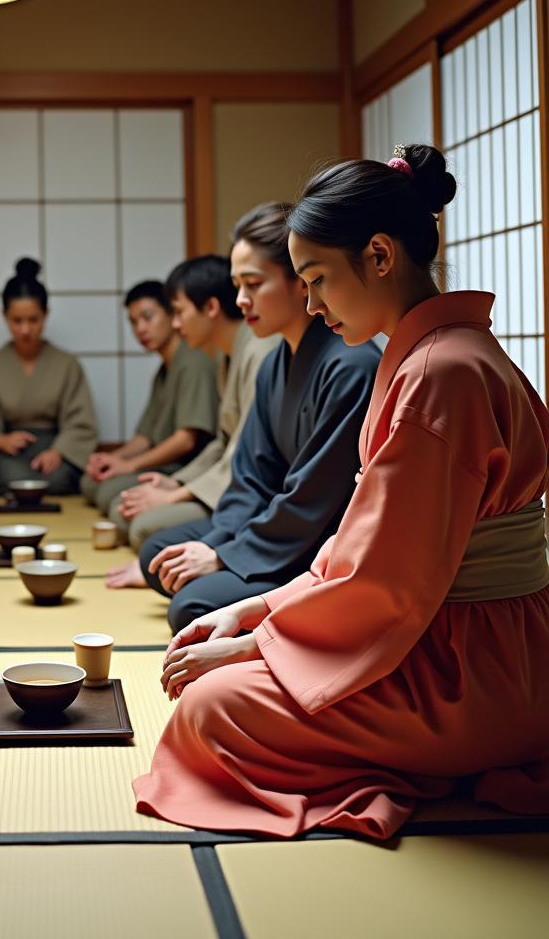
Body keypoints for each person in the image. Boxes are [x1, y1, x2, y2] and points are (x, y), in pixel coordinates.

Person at [134, 143, 549, 839]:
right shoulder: (435, 356)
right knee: (213, 673)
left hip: (466, 668)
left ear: (380, 257)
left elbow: (384, 580)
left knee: (209, 709)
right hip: (472, 644)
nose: (312, 302)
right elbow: (362, 549)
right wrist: (254, 610)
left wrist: (253, 642)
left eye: (318, 278)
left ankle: (462, 750)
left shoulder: (439, 373)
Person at [139, 205, 381, 631]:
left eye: (253, 284)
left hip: (314, 546)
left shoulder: (349, 364)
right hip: (271, 531)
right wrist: (216, 544)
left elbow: (314, 498)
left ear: (298, 280)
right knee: (158, 555)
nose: (240, 301)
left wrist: (223, 554)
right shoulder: (275, 365)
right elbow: (250, 476)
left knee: (192, 606)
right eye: (236, 285)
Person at [105, 250, 278, 588]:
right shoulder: (228, 357)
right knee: (126, 512)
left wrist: (175, 495)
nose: (175, 323)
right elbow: (223, 443)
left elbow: (243, 454)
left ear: (210, 308)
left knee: (144, 531)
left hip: (250, 495)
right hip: (221, 482)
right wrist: (177, 484)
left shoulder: (258, 352)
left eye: (179, 311)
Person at [0, 257, 97, 497]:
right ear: (4, 316)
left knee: (59, 477)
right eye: (17, 320)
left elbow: (81, 423)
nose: (25, 330)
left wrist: (59, 451)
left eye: (33, 320)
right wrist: (0, 440)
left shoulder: (67, 364)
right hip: (9, 454)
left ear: (46, 315)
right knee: (10, 475)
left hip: (54, 450)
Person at [80, 279, 217, 516]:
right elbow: (145, 436)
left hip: (187, 467)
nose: (140, 329)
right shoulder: (164, 369)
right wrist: (111, 459)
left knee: (108, 496)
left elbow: (186, 440)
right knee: (91, 482)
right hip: (163, 463)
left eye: (147, 317)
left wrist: (129, 465)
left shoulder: (194, 363)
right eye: (133, 322)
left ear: (172, 316)